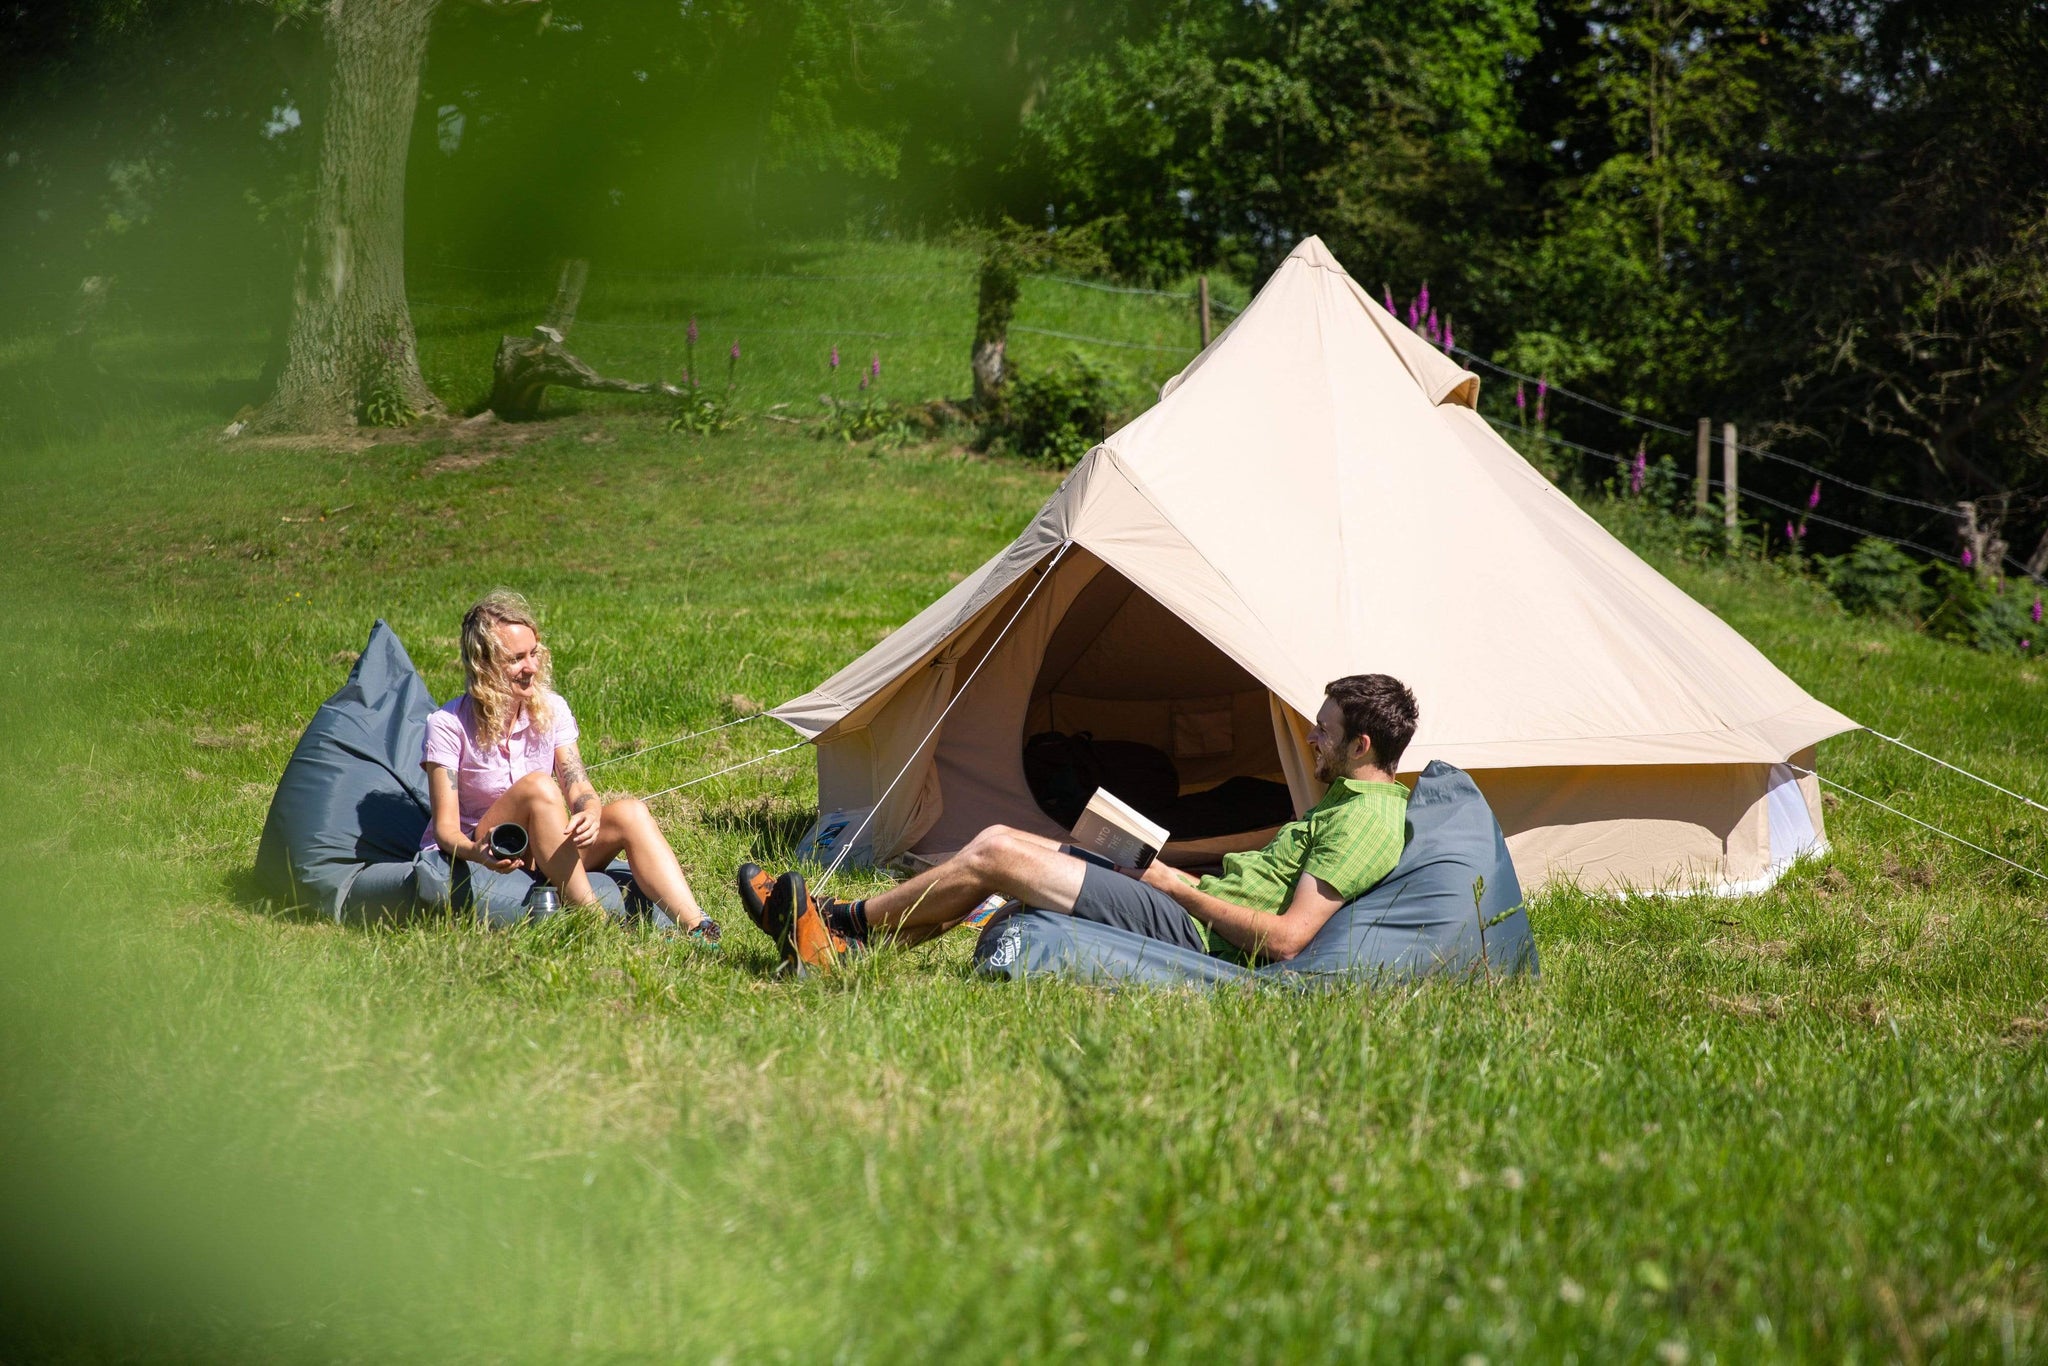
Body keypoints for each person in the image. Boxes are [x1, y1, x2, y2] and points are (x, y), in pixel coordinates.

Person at [737, 673, 1416, 971]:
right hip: (1189, 896)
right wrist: (1166, 859)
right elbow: (1268, 856)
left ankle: (839, 924)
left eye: (1323, 734)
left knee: (997, 853)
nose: (1311, 741)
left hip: (1200, 933)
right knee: (1015, 841)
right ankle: (845, 945)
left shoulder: (1366, 823)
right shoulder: (1348, 803)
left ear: (1361, 746)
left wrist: (1177, 888)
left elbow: (1288, 940)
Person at [422, 589, 719, 942]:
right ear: (482, 664)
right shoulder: (446, 723)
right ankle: (597, 926)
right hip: (485, 848)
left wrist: (590, 810)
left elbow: (577, 784)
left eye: (533, 654)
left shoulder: (552, 708)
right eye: (516, 659)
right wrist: (478, 853)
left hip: (543, 849)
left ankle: (698, 929)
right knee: (538, 787)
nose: (531, 667)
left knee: (631, 812)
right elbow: (445, 830)